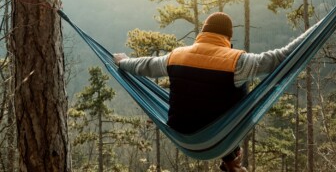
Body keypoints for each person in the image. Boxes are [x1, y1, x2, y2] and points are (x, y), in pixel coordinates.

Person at [114, 12, 318, 172]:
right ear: (227, 37)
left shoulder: (176, 56)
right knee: (231, 97)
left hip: (182, 132)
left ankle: (232, 164)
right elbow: (281, 57)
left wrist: (124, 62)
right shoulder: (238, 62)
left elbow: (146, 65)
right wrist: (318, 29)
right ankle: (232, 160)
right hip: (220, 137)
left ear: (203, 33)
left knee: (205, 99)